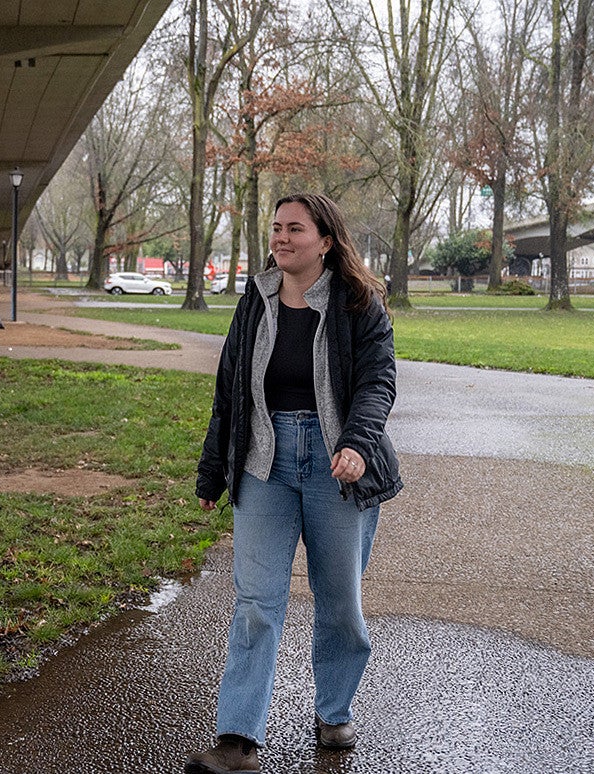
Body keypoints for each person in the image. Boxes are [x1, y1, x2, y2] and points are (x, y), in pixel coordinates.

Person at [186, 193, 403, 774]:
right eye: (276, 227)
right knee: (256, 602)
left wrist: (356, 443)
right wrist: (212, 472)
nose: (281, 238)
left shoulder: (359, 303)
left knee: (339, 605)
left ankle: (334, 713)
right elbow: (229, 389)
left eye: (295, 229)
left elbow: (378, 379)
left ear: (325, 240)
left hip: (336, 465)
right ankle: (237, 740)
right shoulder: (255, 301)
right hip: (264, 463)